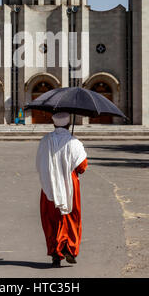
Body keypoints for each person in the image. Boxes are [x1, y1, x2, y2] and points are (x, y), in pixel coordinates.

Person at [36, 112, 88, 268]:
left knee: (51, 218)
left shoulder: (45, 141)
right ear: (67, 124)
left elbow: (39, 163)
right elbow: (82, 167)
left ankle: (55, 254)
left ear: (54, 124)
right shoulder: (74, 142)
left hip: (49, 184)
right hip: (69, 184)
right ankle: (69, 249)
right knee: (71, 217)